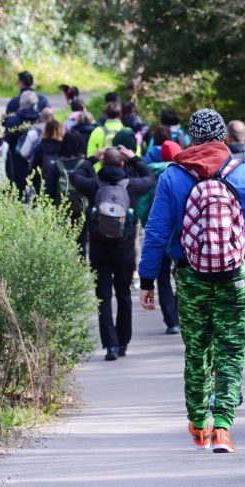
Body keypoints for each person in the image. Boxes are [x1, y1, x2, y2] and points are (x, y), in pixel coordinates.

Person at [138, 109, 245, 454]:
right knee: (231, 349)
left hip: (190, 275)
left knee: (197, 350)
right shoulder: (244, 175)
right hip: (234, 274)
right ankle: (224, 427)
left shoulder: (173, 177)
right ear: (224, 138)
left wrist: (147, 279)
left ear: (192, 139)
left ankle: (199, 424)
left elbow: (156, 232)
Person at [74, 146, 155, 362]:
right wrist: (134, 158)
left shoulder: (94, 186)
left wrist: (93, 158)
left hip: (100, 249)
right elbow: (149, 178)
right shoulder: (132, 186)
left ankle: (110, 345)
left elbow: (76, 176)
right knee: (124, 295)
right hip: (125, 250)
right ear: (122, 163)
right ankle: (123, 342)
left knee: (103, 297)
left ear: (103, 163)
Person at [136, 139, 182, 334]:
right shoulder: (186, 174)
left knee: (163, 278)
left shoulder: (151, 175)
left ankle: (171, 321)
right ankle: (182, 312)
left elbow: (143, 207)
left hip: (162, 235)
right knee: (182, 274)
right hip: (181, 236)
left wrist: (146, 279)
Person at [3, 90, 40, 196]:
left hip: (16, 164)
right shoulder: (41, 119)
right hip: (36, 163)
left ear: (21, 103)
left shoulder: (12, 121)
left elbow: (7, 144)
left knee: (18, 193)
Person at [30, 119, 64, 202]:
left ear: (45, 131)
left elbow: (34, 168)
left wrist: (33, 184)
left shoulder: (40, 148)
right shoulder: (64, 148)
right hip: (60, 188)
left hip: (42, 187)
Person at [87, 101, 125, 167]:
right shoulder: (127, 131)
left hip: (102, 174)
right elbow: (135, 155)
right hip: (124, 174)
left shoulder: (97, 131)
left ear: (106, 115)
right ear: (121, 115)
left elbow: (91, 155)